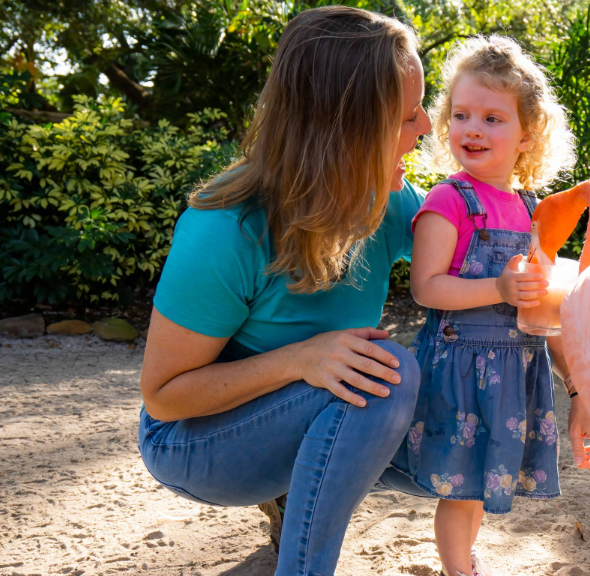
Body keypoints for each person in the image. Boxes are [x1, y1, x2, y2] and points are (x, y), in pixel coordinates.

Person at [137, 7, 433, 575]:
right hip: (193, 444)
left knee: (470, 411)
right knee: (388, 376)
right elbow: (165, 398)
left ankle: (295, 493)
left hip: (307, 411)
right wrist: (301, 359)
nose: (425, 128)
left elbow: (485, 276)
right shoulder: (227, 230)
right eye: (406, 116)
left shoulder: (390, 201)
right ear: (345, 129)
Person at [390, 35, 590, 576]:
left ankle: (464, 558)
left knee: (483, 483)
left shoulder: (534, 211)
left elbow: (542, 309)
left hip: (515, 372)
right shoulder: (448, 199)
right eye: (461, 115)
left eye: (492, 118)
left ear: (527, 134)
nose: (473, 129)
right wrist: (499, 290)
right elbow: (427, 288)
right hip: (462, 370)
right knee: (461, 490)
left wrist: (576, 385)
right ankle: (458, 569)